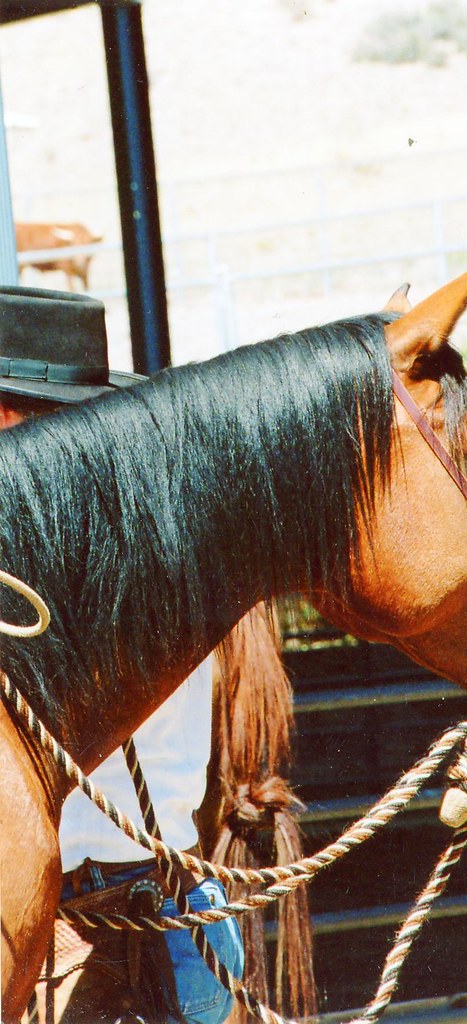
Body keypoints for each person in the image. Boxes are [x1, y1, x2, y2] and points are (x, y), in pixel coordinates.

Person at [0, 284, 243, 1024]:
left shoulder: (55, 573)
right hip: (167, 897)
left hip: (87, 911)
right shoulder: (150, 546)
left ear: (19, 422)